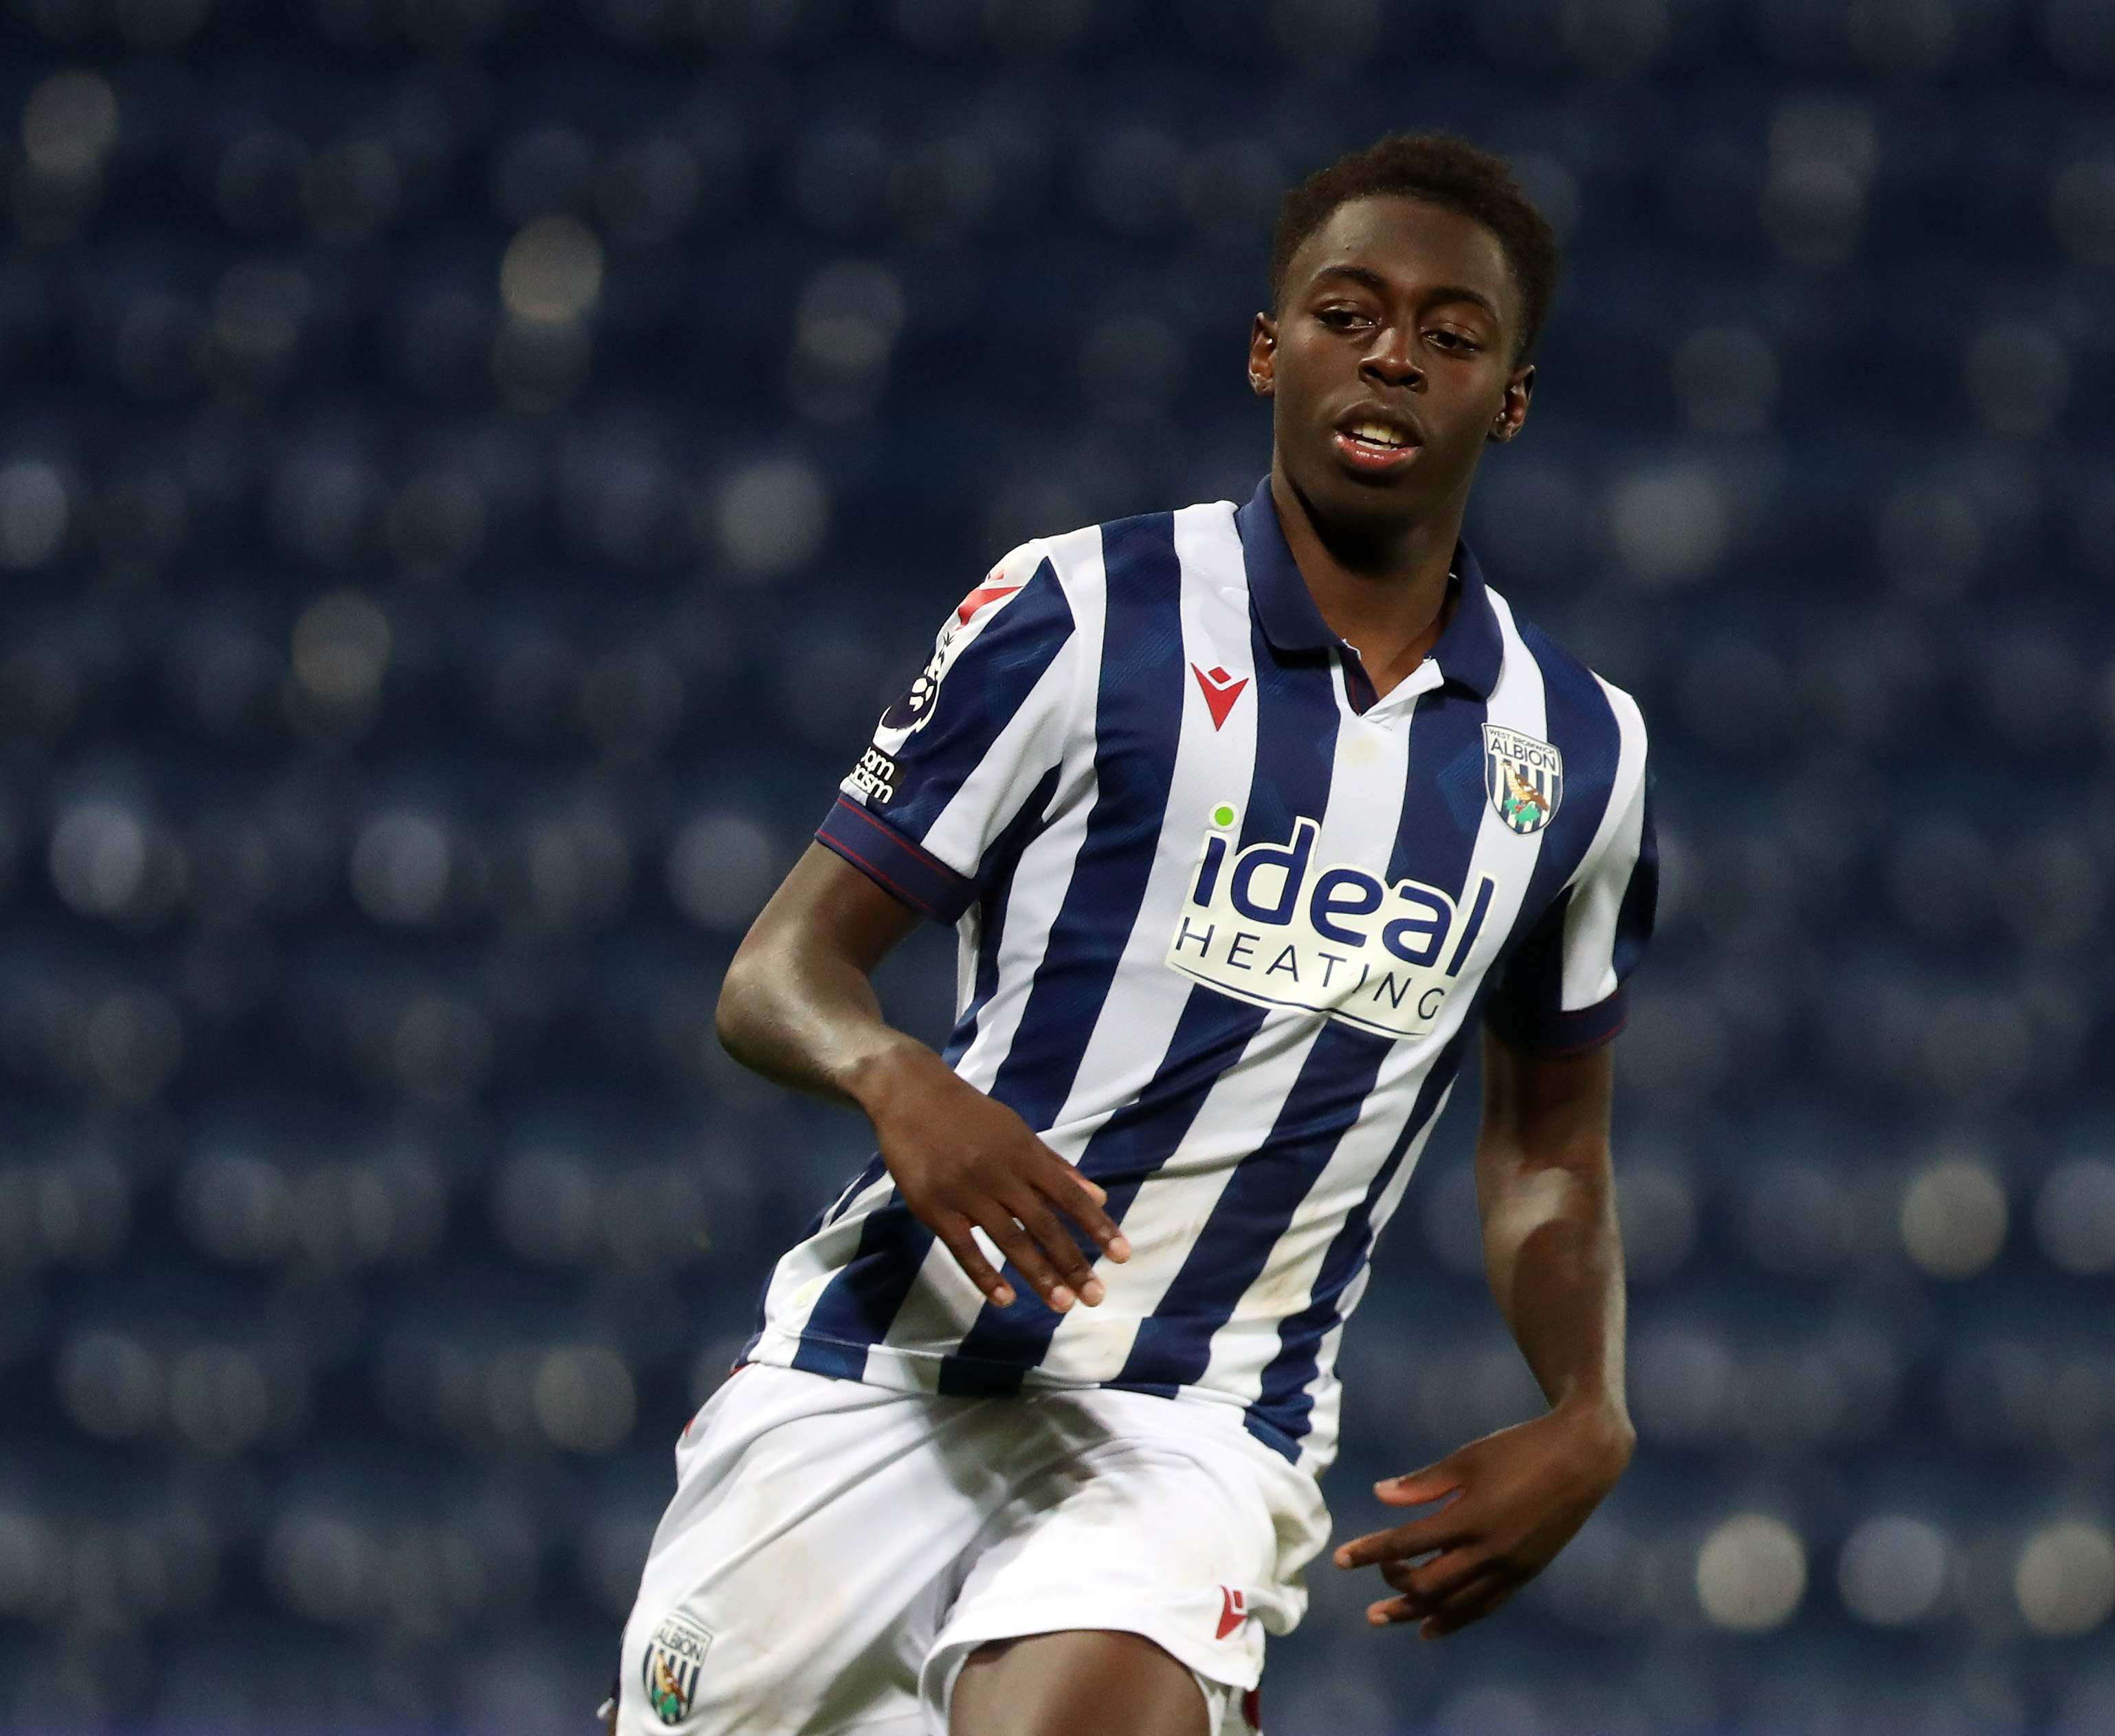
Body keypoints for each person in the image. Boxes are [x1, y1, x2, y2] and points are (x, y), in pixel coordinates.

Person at [610, 132, 1659, 1736]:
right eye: (1345, 310)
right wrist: (901, 1086)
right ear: (1267, 349)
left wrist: (1590, 1410)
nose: (1392, 353)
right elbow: (776, 976)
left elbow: (1543, 1153)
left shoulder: (1577, 751)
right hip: (875, 1378)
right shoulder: (1078, 612)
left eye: (1452, 335)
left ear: (1508, 399)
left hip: (1192, 1428)